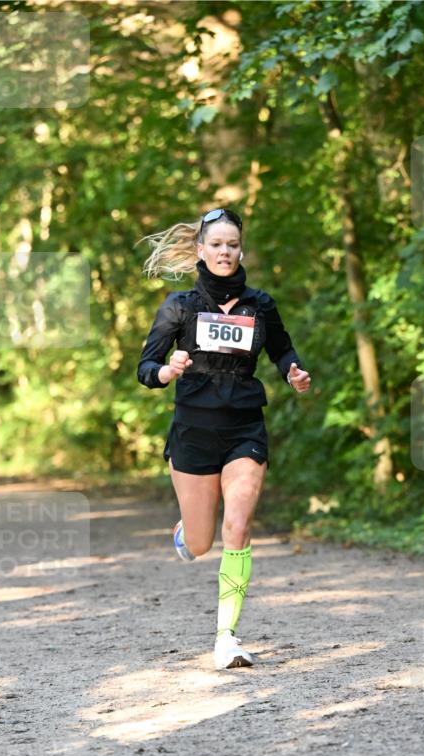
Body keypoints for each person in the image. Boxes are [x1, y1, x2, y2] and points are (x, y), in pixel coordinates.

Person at [137, 208, 311, 668]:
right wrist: (166, 370)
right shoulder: (179, 306)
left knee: (237, 524)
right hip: (193, 428)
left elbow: (283, 349)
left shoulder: (261, 305)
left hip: (244, 427)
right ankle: (185, 531)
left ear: (241, 250)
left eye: (232, 244)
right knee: (200, 544)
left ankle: (226, 636)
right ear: (200, 250)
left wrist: (292, 371)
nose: (225, 252)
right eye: (216, 244)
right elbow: (144, 368)